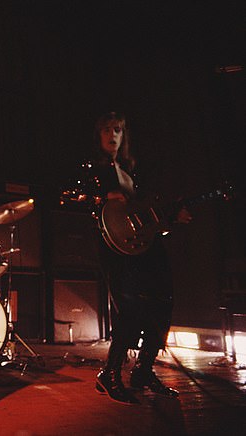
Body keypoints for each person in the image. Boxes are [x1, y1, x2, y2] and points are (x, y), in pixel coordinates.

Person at [61, 112, 191, 404]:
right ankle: (109, 374)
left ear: (123, 135)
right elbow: (69, 193)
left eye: (117, 129)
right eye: (106, 129)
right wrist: (101, 196)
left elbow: (147, 209)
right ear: (99, 136)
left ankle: (144, 370)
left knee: (164, 301)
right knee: (130, 308)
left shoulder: (135, 170)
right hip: (114, 246)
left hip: (145, 243)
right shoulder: (91, 167)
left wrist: (172, 216)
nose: (112, 134)